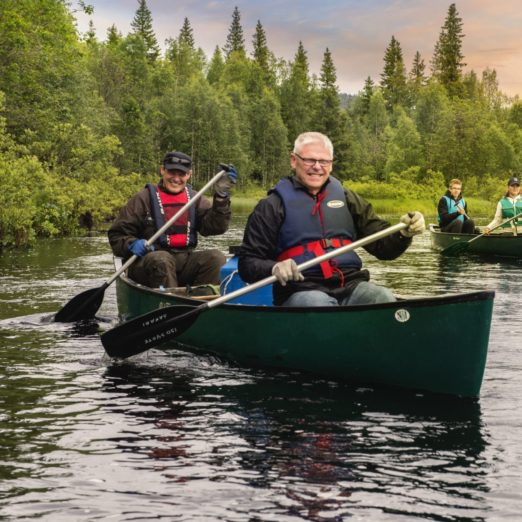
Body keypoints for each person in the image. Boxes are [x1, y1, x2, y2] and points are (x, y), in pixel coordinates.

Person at [237, 132, 425, 307]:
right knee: (318, 304)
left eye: (324, 161)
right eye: (310, 160)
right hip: (302, 289)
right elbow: (247, 263)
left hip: (350, 285)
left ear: (331, 164)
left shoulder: (348, 199)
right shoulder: (271, 206)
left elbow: (384, 249)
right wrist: (274, 267)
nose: (317, 167)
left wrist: (403, 233)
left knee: (381, 297)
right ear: (294, 161)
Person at [108, 151, 237, 289]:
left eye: (181, 174)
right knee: (161, 259)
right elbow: (116, 235)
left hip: (183, 262)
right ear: (162, 170)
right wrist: (131, 244)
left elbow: (216, 227)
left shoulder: (195, 199)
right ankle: (169, 303)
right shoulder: (142, 199)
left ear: (189, 175)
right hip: (147, 264)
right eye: (171, 173)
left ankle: (200, 300)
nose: (176, 179)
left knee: (216, 258)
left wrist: (221, 198)